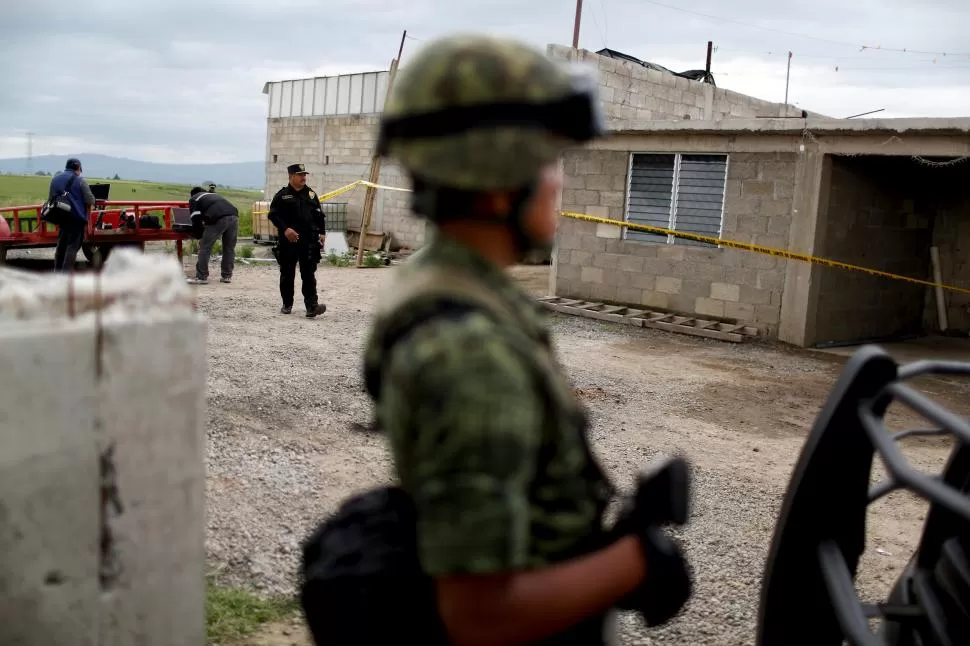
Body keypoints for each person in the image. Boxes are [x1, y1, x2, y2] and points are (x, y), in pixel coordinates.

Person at [358, 35, 694, 646]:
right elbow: (481, 616)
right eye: (549, 160)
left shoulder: (449, 281)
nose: (560, 182)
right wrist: (635, 563)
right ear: (496, 181)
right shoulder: (469, 353)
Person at [268, 163, 327, 317]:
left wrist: (322, 232)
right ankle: (287, 304)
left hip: (308, 241)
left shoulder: (311, 195)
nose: (303, 177)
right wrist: (285, 229)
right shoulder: (282, 195)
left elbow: (319, 215)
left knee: (309, 274)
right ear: (291, 177)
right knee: (287, 274)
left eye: (304, 175)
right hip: (289, 242)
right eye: (300, 175)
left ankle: (312, 307)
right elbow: (273, 215)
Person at [48, 158, 95, 272]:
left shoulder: (55, 179)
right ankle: (65, 277)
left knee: (61, 247)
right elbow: (90, 200)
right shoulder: (80, 180)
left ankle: (57, 273)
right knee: (72, 248)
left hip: (61, 218)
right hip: (76, 220)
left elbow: (50, 198)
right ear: (78, 168)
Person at [186, 186, 239, 285]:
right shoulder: (214, 196)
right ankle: (226, 276)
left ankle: (202, 277)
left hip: (218, 218)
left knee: (205, 247)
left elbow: (195, 219)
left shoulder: (194, 198)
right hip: (234, 216)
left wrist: (198, 235)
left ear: (193, 194)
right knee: (229, 248)